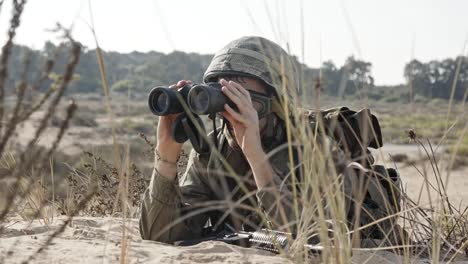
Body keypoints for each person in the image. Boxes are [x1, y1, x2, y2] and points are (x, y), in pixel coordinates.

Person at [139, 36, 403, 246]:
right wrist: (166, 156)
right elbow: (162, 235)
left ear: (276, 104)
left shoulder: (317, 148)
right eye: (223, 94)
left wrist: (256, 156)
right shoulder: (214, 150)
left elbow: (311, 242)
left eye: (244, 98)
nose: (232, 109)